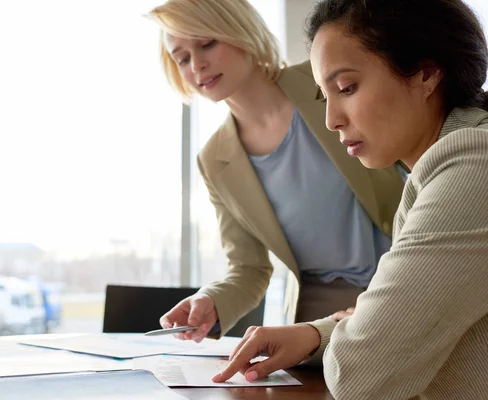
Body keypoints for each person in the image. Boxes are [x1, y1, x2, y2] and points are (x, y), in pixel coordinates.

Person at [212, 0, 488, 398]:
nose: (331, 121)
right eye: (326, 97)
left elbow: (362, 375)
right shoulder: (442, 167)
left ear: (427, 74)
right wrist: (317, 333)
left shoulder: (470, 169)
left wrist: (354, 324)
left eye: (347, 88)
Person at [147, 0, 404, 343]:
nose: (197, 64)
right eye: (182, 58)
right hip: (314, 318)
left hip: (400, 284)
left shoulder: (325, 80)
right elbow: (249, 269)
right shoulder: (214, 160)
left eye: (207, 43)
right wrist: (211, 300)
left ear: (240, 31)